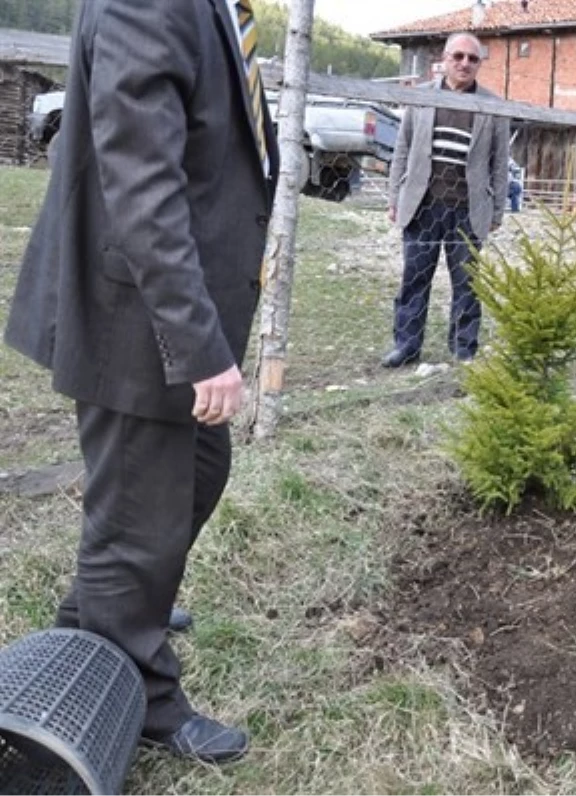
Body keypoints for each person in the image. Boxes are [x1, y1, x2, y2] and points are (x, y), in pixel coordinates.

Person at [4, 0, 278, 763]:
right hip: (135, 316)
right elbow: (141, 183)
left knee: (194, 471)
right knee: (143, 504)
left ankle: (101, 609)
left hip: (153, 306)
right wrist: (199, 346)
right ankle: (147, 693)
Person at [383, 32, 510, 368]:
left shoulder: (493, 106)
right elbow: (402, 150)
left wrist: (497, 211)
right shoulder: (421, 98)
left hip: (468, 211)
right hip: (423, 206)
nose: (465, 64)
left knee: (468, 285)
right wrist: (394, 196)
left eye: (472, 58)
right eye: (458, 57)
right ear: (444, 59)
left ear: (479, 63)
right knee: (414, 280)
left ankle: (463, 349)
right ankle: (406, 348)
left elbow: (500, 164)